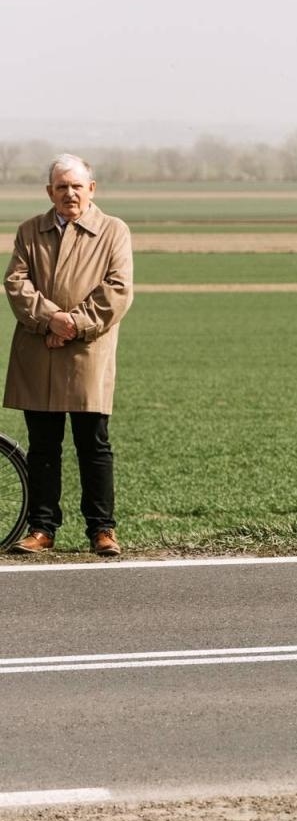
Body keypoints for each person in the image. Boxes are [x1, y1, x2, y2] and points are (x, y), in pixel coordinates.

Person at [5, 154, 135, 556]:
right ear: (50, 192)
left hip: (87, 352)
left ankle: (102, 530)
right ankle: (42, 528)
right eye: (61, 187)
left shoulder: (113, 231)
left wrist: (73, 324)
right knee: (43, 446)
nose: (69, 194)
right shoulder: (30, 231)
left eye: (77, 186)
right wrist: (50, 319)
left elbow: (117, 290)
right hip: (38, 350)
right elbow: (16, 282)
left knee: (93, 444)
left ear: (91, 189)